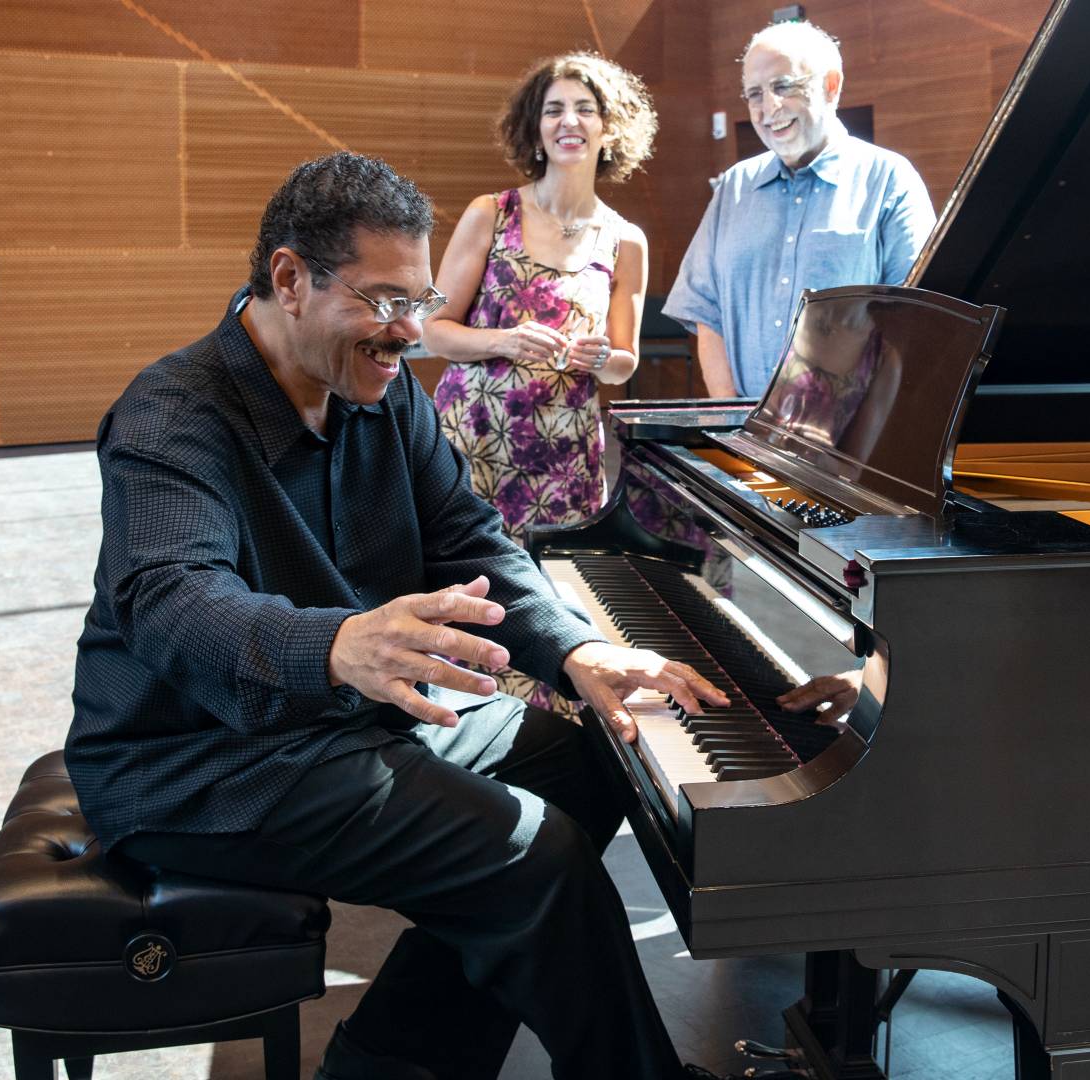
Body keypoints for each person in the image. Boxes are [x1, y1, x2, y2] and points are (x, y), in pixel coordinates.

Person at [63, 152, 731, 1080]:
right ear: (290, 278)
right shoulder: (173, 412)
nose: (410, 333)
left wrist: (577, 653)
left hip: (346, 720)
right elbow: (172, 604)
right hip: (200, 757)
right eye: (384, 302)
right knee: (535, 862)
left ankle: (395, 1061)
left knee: (600, 745)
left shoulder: (381, 399)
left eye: (419, 302)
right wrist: (336, 643)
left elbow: (476, 545)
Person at [425, 51, 657, 539]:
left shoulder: (626, 240)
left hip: (565, 450)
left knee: (555, 597)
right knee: (460, 589)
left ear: (609, 128)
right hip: (473, 438)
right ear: (535, 129)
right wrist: (504, 341)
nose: (569, 120)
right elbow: (434, 331)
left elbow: (624, 362)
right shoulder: (491, 213)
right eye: (554, 110)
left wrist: (600, 359)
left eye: (585, 108)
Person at [664, 20, 935, 399]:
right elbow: (706, 313)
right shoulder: (734, 186)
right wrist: (732, 420)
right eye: (754, 94)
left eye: (783, 86)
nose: (768, 107)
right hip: (744, 436)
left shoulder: (889, 178)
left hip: (850, 442)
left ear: (830, 85)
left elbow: (915, 320)